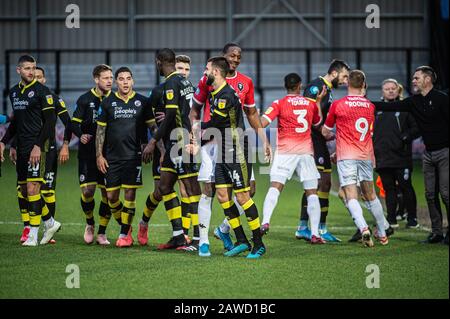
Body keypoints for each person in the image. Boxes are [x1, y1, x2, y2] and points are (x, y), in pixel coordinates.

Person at [189, 43, 271, 255]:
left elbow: (214, 123)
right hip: (220, 149)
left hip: (235, 149)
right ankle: (241, 240)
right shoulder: (215, 91)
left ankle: (258, 244)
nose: (204, 73)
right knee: (223, 195)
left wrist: (194, 136)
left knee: (243, 196)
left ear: (215, 71)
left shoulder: (226, 94)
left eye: (207, 70)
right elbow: (200, 113)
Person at [372, 66, 449, 245]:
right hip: (428, 154)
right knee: (430, 194)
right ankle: (437, 233)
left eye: (417, 78)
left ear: (428, 79)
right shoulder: (413, 101)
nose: (413, 81)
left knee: (446, 194)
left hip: (445, 152)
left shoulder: (442, 99)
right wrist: (363, 103)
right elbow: (388, 106)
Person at [142, 48, 201, 250]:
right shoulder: (186, 83)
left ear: (159, 62)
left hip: (180, 141)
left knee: (191, 189)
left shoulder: (171, 83)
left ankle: (197, 238)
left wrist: (152, 141)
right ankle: (178, 235)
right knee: (165, 186)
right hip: (174, 144)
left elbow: (169, 117)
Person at [322, 70, 388, 247]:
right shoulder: (370, 106)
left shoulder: (338, 105)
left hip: (347, 156)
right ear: (364, 85)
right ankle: (382, 233)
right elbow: (369, 132)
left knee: (350, 195)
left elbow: (325, 131)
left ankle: (363, 228)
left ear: (347, 83)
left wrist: (336, 138)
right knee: (371, 195)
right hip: (365, 154)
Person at [259, 73, 326, 244]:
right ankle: (315, 233)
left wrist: (265, 140)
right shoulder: (310, 104)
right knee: (312, 192)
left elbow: (262, 123)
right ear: (300, 86)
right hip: (305, 152)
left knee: (275, 187)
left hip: (285, 151)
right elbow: (318, 124)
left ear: (285, 86)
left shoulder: (278, 103)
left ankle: (265, 222)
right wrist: (317, 102)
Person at [2, 55, 61, 246]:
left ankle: (33, 235)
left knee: (33, 187)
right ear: (18, 70)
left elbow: (51, 121)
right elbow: (17, 123)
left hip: (39, 146)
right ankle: (50, 222)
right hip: (22, 147)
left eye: (33, 68)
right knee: (24, 190)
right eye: (27, 68)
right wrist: (6, 142)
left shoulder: (43, 92)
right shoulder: (13, 93)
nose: (31, 72)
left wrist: (37, 145)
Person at [96, 66, 154, 247]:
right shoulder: (107, 103)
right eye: (121, 79)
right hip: (112, 157)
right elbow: (100, 131)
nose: (125, 82)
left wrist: (151, 144)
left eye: (128, 79)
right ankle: (126, 225)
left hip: (133, 156)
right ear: (116, 82)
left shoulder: (142, 102)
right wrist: (99, 155)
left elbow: (152, 127)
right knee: (112, 196)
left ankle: (123, 235)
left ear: (133, 81)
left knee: (130, 194)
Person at [297, 59, 350, 243]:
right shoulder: (316, 87)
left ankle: (308, 227)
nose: (345, 81)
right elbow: (307, 114)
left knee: (322, 183)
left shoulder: (328, 89)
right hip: (312, 140)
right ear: (334, 73)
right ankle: (313, 228)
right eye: (344, 76)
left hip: (319, 140)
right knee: (320, 182)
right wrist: (323, 132)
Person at [71, 64, 114, 245]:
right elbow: (73, 123)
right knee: (88, 191)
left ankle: (102, 232)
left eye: (111, 78)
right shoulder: (85, 99)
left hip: (110, 154)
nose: (109, 81)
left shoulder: (116, 99)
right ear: (96, 79)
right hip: (88, 153)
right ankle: (90, 223)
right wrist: (81, 135)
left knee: (109, 195)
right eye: (105, 78)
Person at [373, 79, 421, 228]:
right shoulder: (376, 110)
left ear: (398, 90)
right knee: (389, 189)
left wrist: (405, 137)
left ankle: (412, 218)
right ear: (382, 91)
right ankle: (391, 218)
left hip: (401, 157)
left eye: (393, 88)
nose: (390, 91)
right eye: (387, 89)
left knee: (406, 187)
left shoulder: (406, 108)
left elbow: (417, 128)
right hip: (383, 157)